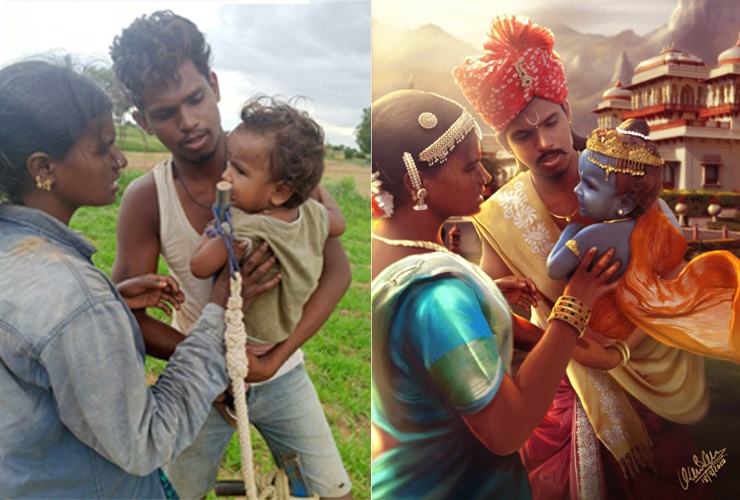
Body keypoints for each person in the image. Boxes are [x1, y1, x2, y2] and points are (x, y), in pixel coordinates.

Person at [453, 15, 712, 499]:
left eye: (550, 122)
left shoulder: (623, 178)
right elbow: (498, 314)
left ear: (568, 112)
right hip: (561, 383)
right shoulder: (500, 215)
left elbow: (671, 270)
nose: (544, 142)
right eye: (523, 136)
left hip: (648, 369)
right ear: (506, 143)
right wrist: (544, 322)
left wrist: (626, 334)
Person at [0, 58, 275, 498]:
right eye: (102, 147)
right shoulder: (74, 299)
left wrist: (109, 301)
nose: (120, 159)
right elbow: (146, 441)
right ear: (43, 168)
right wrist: (220, 305)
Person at [109, 10, 353, 499]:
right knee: (172, 493)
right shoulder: (145, 198)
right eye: (165, 113)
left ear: (215, 86)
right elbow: (128, 316)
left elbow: (338, 273)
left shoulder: (277, 170)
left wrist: (272, 359)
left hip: (281, 371)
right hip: (200, 383)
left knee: (333, 491)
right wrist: (215, 366)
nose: (188, 121)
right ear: (141, 120)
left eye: (195, 98)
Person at [371, 88, 622, 498]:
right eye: (470, 166)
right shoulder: (438, 298)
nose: (485, 177)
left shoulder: (390, 251)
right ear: (415, 182)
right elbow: (508, 430)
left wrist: (484, 296)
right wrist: (576, 301)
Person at [548, 119, 740, 362]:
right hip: (623, 330)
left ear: (625, 204)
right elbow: (675, 240)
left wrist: (570, 229)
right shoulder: (654, 232)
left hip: (589, 328)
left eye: (589, 185)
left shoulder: (592, 236)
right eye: (580, 180)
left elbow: (554, 268)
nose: (577, 191)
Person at [191, 95, 345, 351]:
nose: (225, 175)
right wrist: (311, 191)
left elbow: (199, 266)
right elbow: (339, 222)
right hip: (280, 334)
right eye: (229, 163)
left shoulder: (244, 227)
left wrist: (216, 225)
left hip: (245, 338)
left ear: (280, 192)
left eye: (239, 171)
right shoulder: (311, 214)